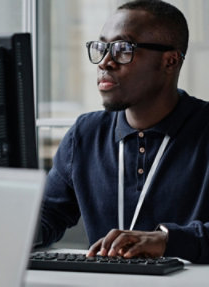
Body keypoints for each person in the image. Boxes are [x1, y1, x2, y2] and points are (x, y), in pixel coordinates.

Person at [40, 0, 209, 264]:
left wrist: (167, 241)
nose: (105, 62)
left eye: (122, 49)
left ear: (170, 61)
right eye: (102, 48)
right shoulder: (85, 133)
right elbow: (48, 215)